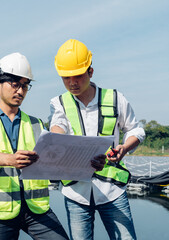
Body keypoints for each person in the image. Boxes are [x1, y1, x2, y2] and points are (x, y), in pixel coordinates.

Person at [49, 39, 146, 240]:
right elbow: (57, 126)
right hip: (76, 192)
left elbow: (136, 130)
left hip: (112, 189)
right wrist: (54, 139)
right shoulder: (59, 103)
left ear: (90, 72)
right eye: (66, 77)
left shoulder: (116, 98)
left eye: (77, 76)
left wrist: (125, 148)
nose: (72, 83)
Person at [0, 52, 69, 240]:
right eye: (15, 85)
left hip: (35, 208)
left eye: (25, 86)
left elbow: (54, 156)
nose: (20, 91)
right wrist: (10, 159)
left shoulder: (37, 124)